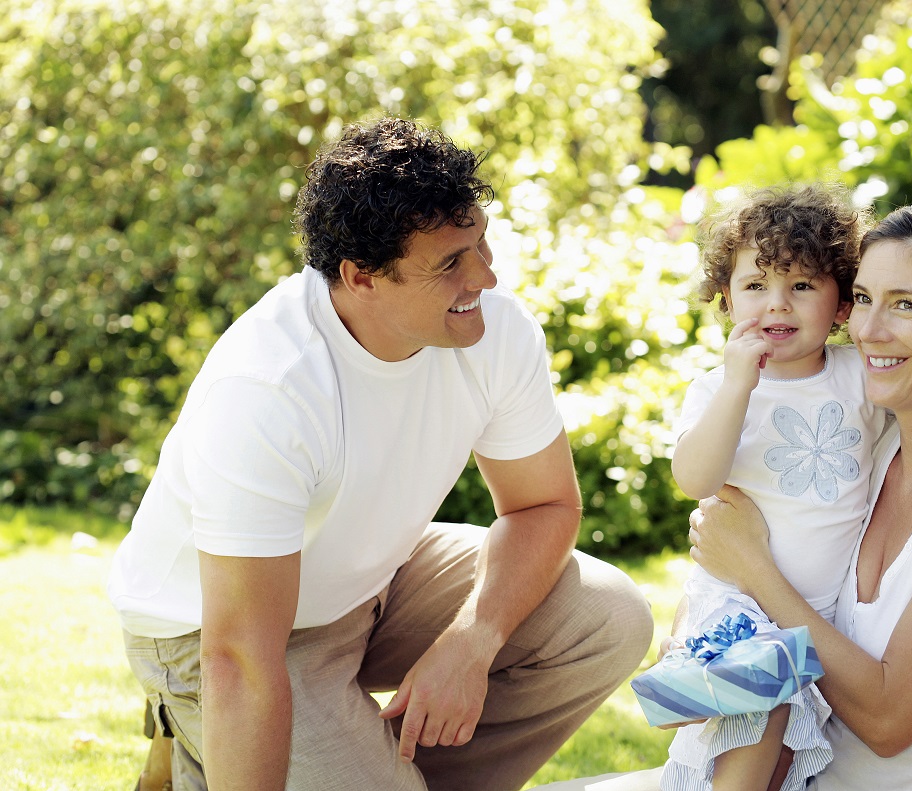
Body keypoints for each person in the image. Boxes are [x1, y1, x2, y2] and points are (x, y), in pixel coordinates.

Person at [108, 116, 654, 791]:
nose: (483, 276)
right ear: (361, 276)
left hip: (368, 583)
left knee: (606, 616)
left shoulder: (494, 331)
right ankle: (195, 736)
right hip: (214, 631)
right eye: (449, 263)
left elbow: (545, 504)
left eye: (479, 243)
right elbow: (238, 657)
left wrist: (471, 639)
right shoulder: (270, 387)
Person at [687, 199, 912, 790]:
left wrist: (753, 571)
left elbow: (887, 722)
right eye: (862, 298)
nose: (867, 330)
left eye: (905, 305)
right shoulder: (874, 449)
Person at [661, 186, 886, 791]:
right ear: (726, 296)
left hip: (815, 612)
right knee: (764, 702)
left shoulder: (859, 377)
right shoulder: (717, 388)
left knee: (785, 756)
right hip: (735, 600)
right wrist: (739, 386)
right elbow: (694, 480)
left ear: (842, 303)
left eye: (803, 286)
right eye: (755, 286)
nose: (776, 306)